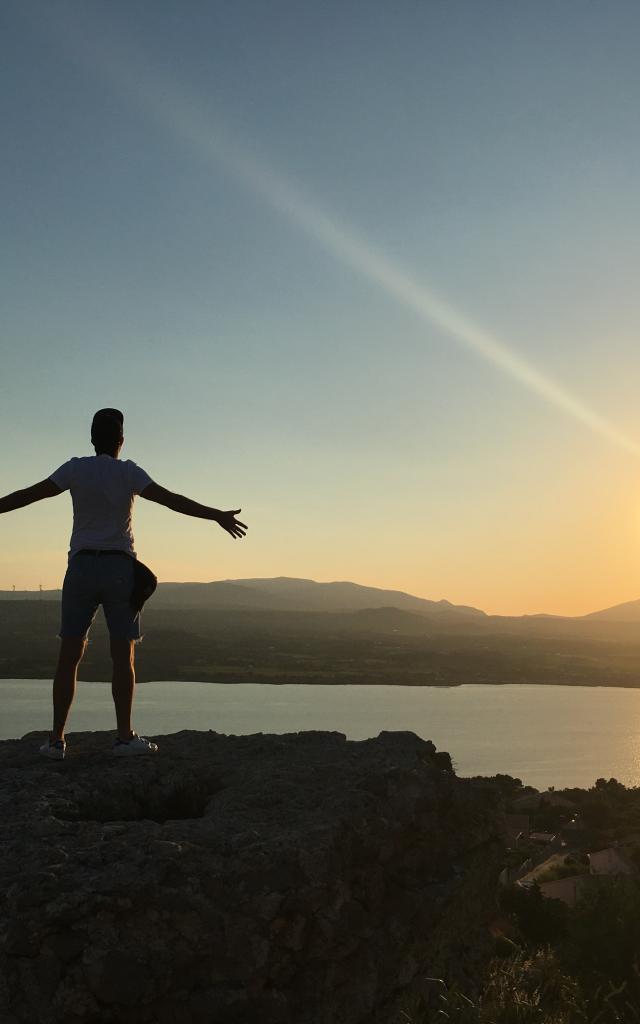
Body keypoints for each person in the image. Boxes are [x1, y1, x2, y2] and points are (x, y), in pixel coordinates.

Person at [0, 408, 248, 760]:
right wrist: (216, 515)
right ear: (121, 439)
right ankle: (123, 737)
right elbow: (171, 499)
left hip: (81, 568)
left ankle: (55, 741)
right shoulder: (129, 472)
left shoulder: (75, 468)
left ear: (91, 438)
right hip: (120, 570)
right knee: (122, 656)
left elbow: (29, 494)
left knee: (68, 656)